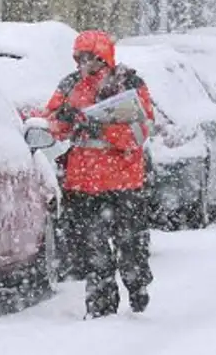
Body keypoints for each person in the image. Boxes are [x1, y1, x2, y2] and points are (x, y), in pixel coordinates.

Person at [44, 30, 156, 318]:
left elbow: (141, 130)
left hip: (124, 180)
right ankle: (100, 305)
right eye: (79, 58)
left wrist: (104, 130)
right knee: (92, 249)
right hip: (83, 181)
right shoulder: (70, 85)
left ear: (103, 57)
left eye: (89, 58)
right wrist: (64, 119)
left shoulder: (129, 83)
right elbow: (51, 122)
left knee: (130, 243)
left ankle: (136, 284)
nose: (83, 64)